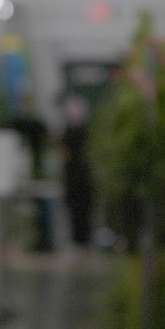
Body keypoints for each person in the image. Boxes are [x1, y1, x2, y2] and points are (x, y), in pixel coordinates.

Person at [59, 96, 95, 248]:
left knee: (75, 208)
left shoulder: (68, 132)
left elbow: (65, 154)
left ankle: (78, 237)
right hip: (85, 174)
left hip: (73, 176)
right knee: (85, 208)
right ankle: (85, 236)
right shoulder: (87, 131)